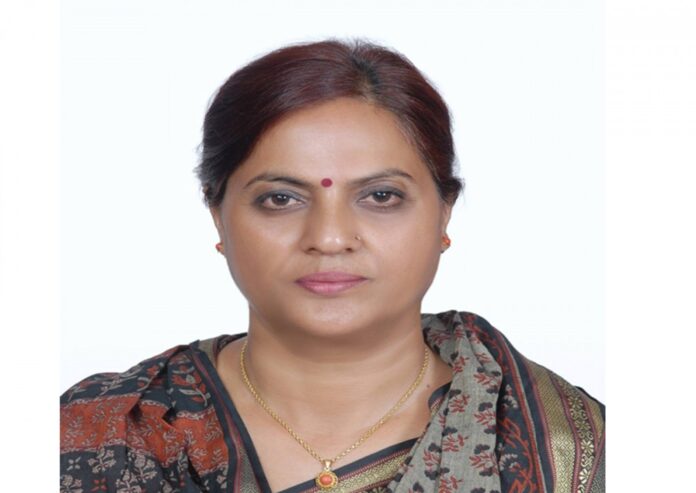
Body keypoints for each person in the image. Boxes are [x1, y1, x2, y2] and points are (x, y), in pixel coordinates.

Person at [60, 40, 604, 493]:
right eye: (280, 199)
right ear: (217, 215)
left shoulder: (573, 448)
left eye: (381, 196)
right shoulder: (96, 434)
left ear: (444, 212)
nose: (329, 238)